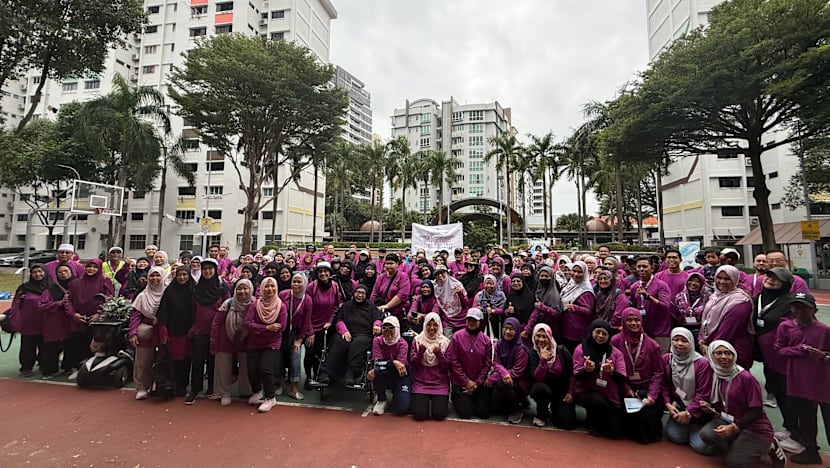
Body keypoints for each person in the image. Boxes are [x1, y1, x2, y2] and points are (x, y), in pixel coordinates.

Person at [698, 340, 786, 468]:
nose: (724, 357)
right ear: (711, 355)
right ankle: (739, 446)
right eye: (719, 353)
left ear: (734, 355)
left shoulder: (746, 378)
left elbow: (756, 410)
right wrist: (709, 407)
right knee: (706, 434)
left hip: (754, 427)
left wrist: (734, 427)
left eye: (728, 353)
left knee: (734, 463)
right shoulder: (715, 374)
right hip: (728, 419)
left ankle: (770, 446)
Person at [775, 293, 830, 465]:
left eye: (804, 307)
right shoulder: (785, 327)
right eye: (795, 307)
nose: (799, 311)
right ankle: (811, 450)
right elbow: (779, 349)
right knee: (806, 417)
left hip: (823, 381)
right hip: (799, 380)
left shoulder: (825, 330)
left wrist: (823, 356)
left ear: (814, 309)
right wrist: (798, 350)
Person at [753, 267, 800, 452]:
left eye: (776, 279)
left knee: (791, 397)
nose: (770, 280)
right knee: (780, 395)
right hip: (768, 358)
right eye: (769, 276)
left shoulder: (791, 302)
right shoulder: (759, 298)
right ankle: (789, 428)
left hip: (784, 359)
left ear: (786, 284)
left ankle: (799, 437)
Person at [611, 308, 665, 444]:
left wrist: (652, 395)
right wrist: (626, 390)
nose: (633, 323)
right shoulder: (615, 341)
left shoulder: (653, 345)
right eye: (629, 320)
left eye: (636, 320)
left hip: (646, 388)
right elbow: (614, 369)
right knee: (615, 430)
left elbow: (658, 372)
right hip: (623, 387)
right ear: (623, 322)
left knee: (644, 427)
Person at [316, 284, 381, 387]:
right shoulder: (347, 305)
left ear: (366, 295)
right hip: (346, 333)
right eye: (357, 292)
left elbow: (378, 318)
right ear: (353, 293)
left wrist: (377, 325)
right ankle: (325, 373)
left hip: (364, 334)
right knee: (338, 341)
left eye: (362, 293)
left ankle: (351, 374)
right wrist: (344, 331)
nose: (360, 295)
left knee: (359, 343)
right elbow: (339, 319)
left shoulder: (371, 307)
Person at [572, 319, 627, 439]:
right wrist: (587, 370)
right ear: (591, 331)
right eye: (598, 332)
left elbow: (622, 377)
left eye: (604, 333)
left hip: (609, 395)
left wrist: (612, 372)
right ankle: (591, 421)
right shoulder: (581, 349)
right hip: (586, 391)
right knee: (597, 402)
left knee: (616, 433)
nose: (600, 336)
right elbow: (577, 376)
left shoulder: (616, 353)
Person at [663, 327, 714, 454]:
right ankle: (688, 428)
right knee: (676, 437)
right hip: (680, 405)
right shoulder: (667, 359)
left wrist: (689, 413)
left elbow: (704, 393)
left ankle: (699, 427)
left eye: (684, 341)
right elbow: (664, 385)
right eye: (675, 339)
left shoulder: (701, 363)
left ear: (691, 343)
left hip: (699, 410)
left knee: (702, 447)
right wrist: (668, 403)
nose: (679, 344)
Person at [187, 258, 228, 404]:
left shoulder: (222, 288)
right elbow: (192, 310)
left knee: (213, 360)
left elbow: (227, 307)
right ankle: (195, 389)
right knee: (197, 361)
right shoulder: (196, 289)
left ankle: (211, 387)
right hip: (200, 330)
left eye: (210, 268)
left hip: (217, 331)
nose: (207, 271)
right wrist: (192, 326)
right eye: (205, 269)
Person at [64, 258, 114, 379]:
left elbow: (109, 300)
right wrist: (73, 314)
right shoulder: (76, 283)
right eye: (89, 267)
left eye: (94, 267)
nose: (91, 269)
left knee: (95, 345)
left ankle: (93, 370)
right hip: (78, 319)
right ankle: (78, 368)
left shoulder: (105, 281)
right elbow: (68, 300)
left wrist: (99, 314)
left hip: (97, 320)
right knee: (77, 345)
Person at [244, 277, 287, 413]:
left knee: (265, 367)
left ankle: (270, 397)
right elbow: (247, 323)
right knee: (252, 369)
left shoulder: (281, 306)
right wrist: (267, 328)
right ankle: (257, 392)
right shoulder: (255, 304)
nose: (270, 289)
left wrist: (259, 329)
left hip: (272, 342)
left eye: (272, 286)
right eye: (267, 286)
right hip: (254, 342)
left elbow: (281, 326)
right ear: (262, 288)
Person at [699, 266, 753, 369]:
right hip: (713, 345)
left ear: (735, 279)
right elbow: (706, 319)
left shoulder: (740, 301)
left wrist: (707, 343)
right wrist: (701, 337)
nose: (722, 282)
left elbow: (727, 330)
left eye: (727, 279)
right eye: (719, 278)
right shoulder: (715, 296)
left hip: (732, 350)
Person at [210, 279, 254, 406]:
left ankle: (247, 390)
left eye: (245, 288)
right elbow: (216, 323)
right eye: (239, 289)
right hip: (225, 339)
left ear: (250, 289)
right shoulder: (228, 304)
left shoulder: (255, 303)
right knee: (223, 366)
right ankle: (224, 393)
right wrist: (214, 343)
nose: (242, 291)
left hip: (246, 339)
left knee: (246, 365)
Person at [128, 267, 168, 400]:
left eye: (158, 276)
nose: (155, 279)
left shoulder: (168, 293)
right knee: (143, 360)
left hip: (164, 331)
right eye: (152, 276)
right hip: (146, 331)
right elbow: (135, 316)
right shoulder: (142, 296)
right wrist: (133, 333)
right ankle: (142, 386)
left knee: (163, 359)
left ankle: (161, 385)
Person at [527, 323, 576, 429]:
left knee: (567, 423)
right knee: (538, 388)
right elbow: (537, 378)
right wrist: (543, 361)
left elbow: (572, 373)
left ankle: (556, 408)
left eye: (544, 336)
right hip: (545, 389)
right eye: (538, 335)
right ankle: (542, 413)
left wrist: (571, 392)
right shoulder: (532, 353)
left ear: (550, 336)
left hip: (561, 391)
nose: (541, 339)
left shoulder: (561, 351)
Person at [448, 308, 493, 419]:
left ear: (480, 321)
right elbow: (453, 362)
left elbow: (487, 364)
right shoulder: (456, 337)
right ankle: (456, 396)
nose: (472, 323)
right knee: (466, 414)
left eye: (475, 320)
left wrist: (476, 383)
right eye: (469, 320)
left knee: (483, 413)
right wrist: (466, 381)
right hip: (461, 382)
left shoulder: (486, 340)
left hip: (478, 383)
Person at [157, 266, 195, 397]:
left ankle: (183, 386)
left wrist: (193, 327)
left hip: (189, 333)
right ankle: (171, 385)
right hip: (173, 332)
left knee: (186, 361)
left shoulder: (194, 290)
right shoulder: (170, 291)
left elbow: (197, 311)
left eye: (185, 274)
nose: (182, 277)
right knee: (174, 360)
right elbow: (163, 312)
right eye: (180, 275)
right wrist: (164, 331)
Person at [7, 264, 50, 377]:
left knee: (46, 346)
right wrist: (15, 320)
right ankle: (26, 367)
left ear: (45, 272)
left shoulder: (52, 287)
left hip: (46, 322)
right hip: (28, 323)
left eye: (40, 271)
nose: (37, 274)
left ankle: (44, 364)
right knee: (28, 347)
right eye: (34, 272)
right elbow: (16, 305)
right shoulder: (24, 288)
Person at [304, 261, 341, 389]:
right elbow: (306, 311)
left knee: (322, 354)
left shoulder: (335, 287)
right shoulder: (311, 287)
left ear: (330, 273)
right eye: (320, 272)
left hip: (327, 326)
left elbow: (336, 306)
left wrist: (330, 321)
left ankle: (319, 376)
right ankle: (309, 377)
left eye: (326, 271)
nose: (323, 274)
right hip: (312, 326)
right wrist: (310, 332)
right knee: (310, 354)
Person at [487, 317, 530, 424]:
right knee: (495, 407)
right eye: (505, 328)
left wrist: (496, 377)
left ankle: (516, 409)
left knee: (502, 384)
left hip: (519, 381)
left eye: (511, 329)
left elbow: (517, 371)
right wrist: (504, 373)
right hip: (502, 375)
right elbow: (495, 362)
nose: (507, 331)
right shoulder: (499, 344)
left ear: (517, 331)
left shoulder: (521, 349)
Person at [276, 273, 312, 399]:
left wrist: (300, 339)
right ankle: (279, 384)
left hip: (295, 334)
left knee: (295, 358)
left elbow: (306, 321)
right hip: (281, 333)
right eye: (294, 282)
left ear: (304, 284)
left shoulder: (307, 299)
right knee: (279, 358)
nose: (295, 284)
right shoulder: (283, 294)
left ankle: (293, 387)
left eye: (299, 282)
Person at [410, 312, 451, 421]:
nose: (432, 328)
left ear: (439, 326)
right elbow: (414, 365)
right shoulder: (417, 340)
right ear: (424, 325)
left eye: (435, 325)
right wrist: (421, 352)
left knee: (439, 415)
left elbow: (447, 367)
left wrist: (439, 353)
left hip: (439, 384)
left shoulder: (445, 342)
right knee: (419, 415)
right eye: (429, 324)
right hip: (421, 383)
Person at [367, 316, 411, 416]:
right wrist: (394, 363)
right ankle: (381, 399)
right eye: (385, 328)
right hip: (384, 373)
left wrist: (389, 364)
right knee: (377, 372)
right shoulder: (377, 341)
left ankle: (398, 393)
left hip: (401, 376)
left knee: (402, 410)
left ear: (397, 329)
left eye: (391, 328)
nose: (387, 331)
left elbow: (400, 368)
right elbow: (378, 363)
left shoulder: (403, 344)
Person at [629, 256, 672, 352]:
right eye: (639, 267)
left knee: (660, 360)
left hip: (660, 331)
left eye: (644, 266)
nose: (641, 269)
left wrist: (648, 297)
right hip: (642, 330)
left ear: (652, 268)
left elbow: (665, 306)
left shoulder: (661, 285)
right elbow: (634, 306)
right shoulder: (634, 287)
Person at [37, 264, 73, 378]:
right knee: (52, 346)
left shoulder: (76, 286)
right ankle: (50, 370)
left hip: (72, 321)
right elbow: (42, 305)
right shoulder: (50, 289)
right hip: (55, 321)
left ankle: (68, 367)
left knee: (70, 345)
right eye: (60, 272)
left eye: (66, 271)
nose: (63, 273)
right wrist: (58, 303)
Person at [559, 261, 596, 352]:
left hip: (577, 330)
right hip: (566, 326)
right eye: (574, 271)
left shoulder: (586, 291)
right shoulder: (570, 285)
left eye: (579, 272)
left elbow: (588, 311)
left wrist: (576, 308)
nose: (575, 274)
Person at [524, 266, 564, 341]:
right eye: (542, 276)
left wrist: (543, 307)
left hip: (551, 328)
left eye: (546, 276)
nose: (544, 278)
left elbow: (557, 314)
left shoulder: (553, 294)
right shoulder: (539, 290)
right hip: (539, 326)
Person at [370, 254, 411, 326]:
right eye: (387, 263)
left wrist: (387, 306)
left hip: (398, 313)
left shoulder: (403, 276)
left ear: (397, 264)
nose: (389, 266)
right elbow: (374, 294)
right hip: (383, 312)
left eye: (391, 263)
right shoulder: (381, 277)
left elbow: (402, 295)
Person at [670, 272, 709, 344]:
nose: (693, 283)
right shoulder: (678, 297)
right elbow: (673, 316)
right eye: (690, 280)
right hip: (682, 331)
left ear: (702, 284)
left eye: (697, 281)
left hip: (700, 333)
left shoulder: (707, 298)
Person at [433, 265, 468, 334]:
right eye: (437, 274)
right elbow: (438, 305)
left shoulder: (457, 285)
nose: (440, 275)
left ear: (447, 273)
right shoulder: (436, 289)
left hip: (461, 319)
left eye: (442, 273)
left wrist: (460, 294)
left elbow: (465, 304)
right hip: (447, 320)